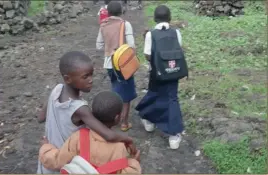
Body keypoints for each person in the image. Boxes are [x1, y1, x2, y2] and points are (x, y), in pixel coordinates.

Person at [37, 51, 136, 174]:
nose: (91, 80)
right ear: (67, 78)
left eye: (91, 75)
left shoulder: (56, 89)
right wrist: (128, 139)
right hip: (68, 163)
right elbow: (108, 135)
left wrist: (46, 145)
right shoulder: (80, 108)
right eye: (85, 77)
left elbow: (41, 117)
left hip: (48, 155)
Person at [39, 91, 141, 174]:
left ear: (92, 113)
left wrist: (46, 148)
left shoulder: (79, 137)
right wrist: (134, 162)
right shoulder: (120, 148)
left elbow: (58, 161)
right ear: (117, 118)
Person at [135, 5, 184, 149]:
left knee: (154, 94)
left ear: (155, 19)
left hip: (157, 73)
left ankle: (148, 119)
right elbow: (179, 49)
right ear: (170, 18)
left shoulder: (151, 34)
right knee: (172, 98)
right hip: (174, 71)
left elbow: (148, 55)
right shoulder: (176, 32)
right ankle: (174, 135)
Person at [96, 1, 137, 132]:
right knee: (127, 94)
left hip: (109, 64)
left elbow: (99, 46)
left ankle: (112, 118)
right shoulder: (125, 24)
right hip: (122, 64)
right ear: (121, 11)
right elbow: (131, 45)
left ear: (108, 13)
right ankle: (124, 122)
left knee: (116, 90)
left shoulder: (103, 26)